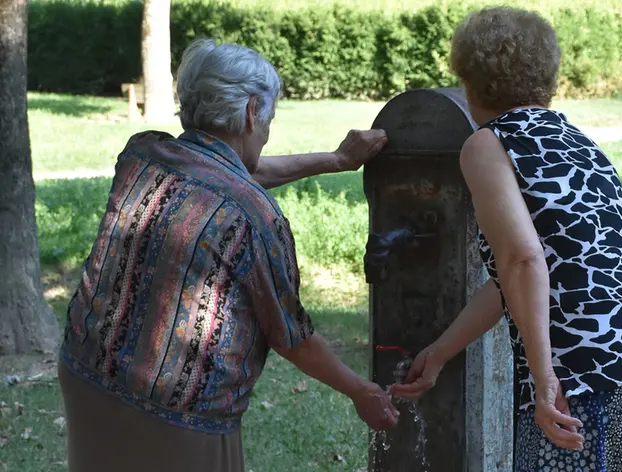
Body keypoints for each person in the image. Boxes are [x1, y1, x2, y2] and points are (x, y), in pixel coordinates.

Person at [58, 38, 398, 472]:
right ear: (253, 111)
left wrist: (336, 160)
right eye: (267, 118)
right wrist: (360, 390)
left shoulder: (142, 153)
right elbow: (292, 336)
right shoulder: (254, 217)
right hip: (179, 416)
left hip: (87, 371)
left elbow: (232, 169)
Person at [390, 7, 622, 471]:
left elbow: (525, 263)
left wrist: (544, 378)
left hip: (585, 367)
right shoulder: (575, 139)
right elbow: (515, 276)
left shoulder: (488, 145)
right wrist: (440, 352)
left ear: (470, 80)